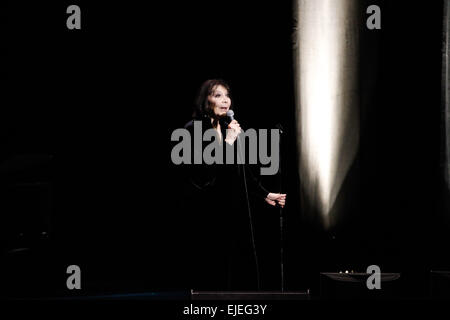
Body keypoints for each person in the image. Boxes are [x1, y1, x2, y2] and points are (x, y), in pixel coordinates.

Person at [181, 79, 286, 290]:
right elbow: (204, 170)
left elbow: (239, 168)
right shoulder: (193, 129)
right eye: (217, 95)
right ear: (205, 100)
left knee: (232, 273)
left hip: (227, 210)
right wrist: (228, 142)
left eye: (226, 95)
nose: (225, 100)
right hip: (204, 210)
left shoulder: (224, 128)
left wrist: (264, 194)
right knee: (210, 274)